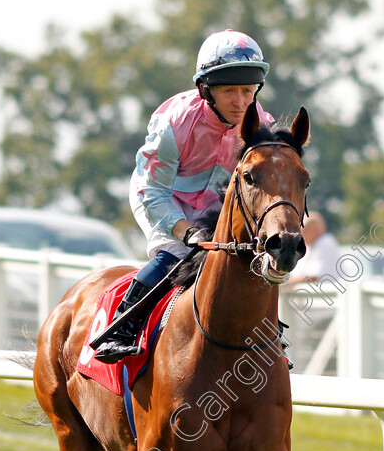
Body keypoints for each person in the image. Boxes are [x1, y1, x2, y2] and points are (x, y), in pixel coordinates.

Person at [95, 29, 274, 363]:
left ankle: (267, 334)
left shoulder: (260, 124)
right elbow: (153, 191)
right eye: (229, 91)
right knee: (176, 253)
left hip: (212, 204)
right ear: (206, 90)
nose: (240, 102)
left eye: (248, 91)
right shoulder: (173, 124)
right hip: (160, 196)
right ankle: (119, 328)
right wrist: (184, 230)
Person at [288, 212, 340, 284]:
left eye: (305, 230)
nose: (301, 235)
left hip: (329, 293)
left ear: (315, 229)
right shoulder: (310, 246)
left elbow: (314, 276)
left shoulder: (325, 242)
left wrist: (287, 283)